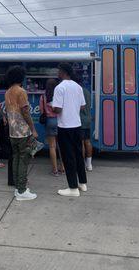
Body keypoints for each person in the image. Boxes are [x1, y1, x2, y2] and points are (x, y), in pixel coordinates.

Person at [52, 63, 87, 197]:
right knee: (78, 155)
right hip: (77, 125)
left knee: (68, 157)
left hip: (65, 126)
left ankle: (73, 188)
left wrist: (53, 108)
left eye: (59, 70)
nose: (57, 73)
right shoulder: (78, 87)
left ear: (63, 72)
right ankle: (83, 183)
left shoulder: (60, 88)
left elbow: (58, 109)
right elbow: (83, 106)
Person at [5, 65, 37, 201]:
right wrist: (33, 129)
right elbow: (25, 112)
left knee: (16, 159)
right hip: (23, 132)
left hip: (12, 132)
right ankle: (22, 190)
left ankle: (18, 188)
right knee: (24, 160)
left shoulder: (8, 92)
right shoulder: (21, 91)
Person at [39, 78, 64, 176]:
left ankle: (55, 170)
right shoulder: (59, 96)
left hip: (49, 121)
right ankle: (62, 167)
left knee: (52, 146)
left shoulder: (43, 97)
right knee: (61, 145)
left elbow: (42, 112)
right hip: (59, 121)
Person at [78, 78, 93, 171]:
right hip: (87, 119)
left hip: (80, 120)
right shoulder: (87, 91)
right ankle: (89, 164)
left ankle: (82, 163)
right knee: (87, 141)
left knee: (81, 143)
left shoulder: (77, 92)